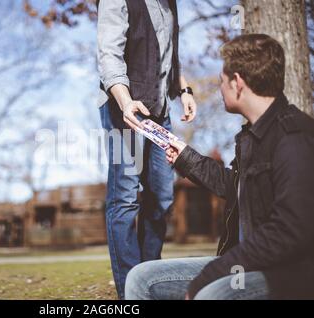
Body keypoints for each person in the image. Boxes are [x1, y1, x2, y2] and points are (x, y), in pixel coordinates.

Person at [125, 34, 314, 300]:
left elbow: (289, 231)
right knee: (142, 278)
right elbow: (232, 185)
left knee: (211, 295)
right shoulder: (251, 136)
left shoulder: (294, 137)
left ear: (237, 83)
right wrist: (185, 157)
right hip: (246, 263)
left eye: (222, 81)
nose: (219, 87)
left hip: (285, 275)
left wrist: (212, 274)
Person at [97, 0, 197, 299]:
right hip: (123, 107)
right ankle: (131, 291)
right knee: (125, 197)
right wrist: (125, 100)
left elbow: (168, 57)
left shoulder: (170, 5)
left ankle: (150, 278)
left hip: (160, 110)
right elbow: (108, 54)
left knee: (162, 196)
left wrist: (184, 90)